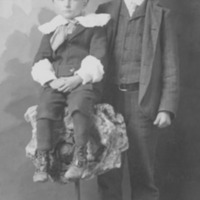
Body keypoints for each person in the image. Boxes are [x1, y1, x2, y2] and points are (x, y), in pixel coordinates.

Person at [96, 0, 179, 200]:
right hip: (109, 102)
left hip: (143, 102)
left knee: (143, 171)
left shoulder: (161, 14)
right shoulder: (105, 11)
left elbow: (170, 65)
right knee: (108, 172)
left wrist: (166, 108)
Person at [31, 0, 110, 182]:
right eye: (61, 0)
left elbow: (98, 57)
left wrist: (78, 78)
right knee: (44, 106)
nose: (67, 4)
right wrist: (51, 80)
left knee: (79, 104)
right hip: (57, 82)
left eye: (73, 0)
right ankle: (43, 158)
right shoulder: (52, 29)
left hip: (82, 81)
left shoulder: (95, 26)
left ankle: (79, 157)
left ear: (84, 3)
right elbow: (41, 59)